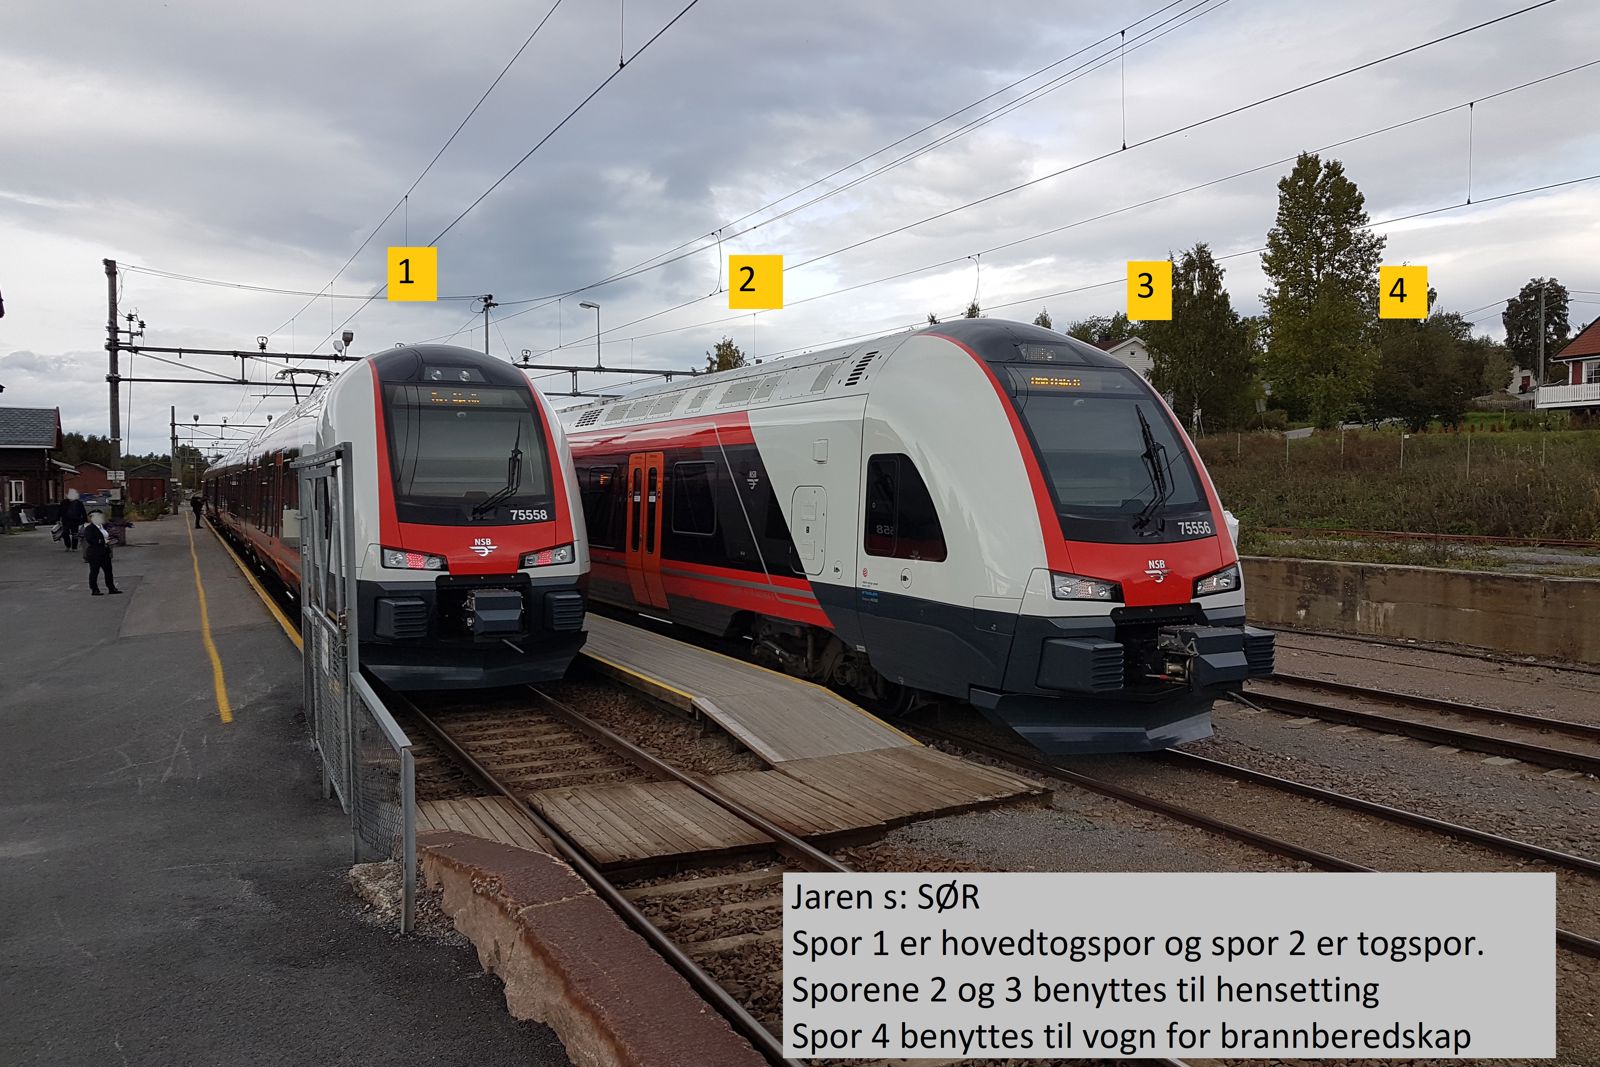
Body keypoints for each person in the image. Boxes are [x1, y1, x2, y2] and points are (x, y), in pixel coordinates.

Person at [81, 511, 121, 596]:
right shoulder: (89, 528)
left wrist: (111, 539)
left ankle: (111, 588)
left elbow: (108, 535)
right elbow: (90, 540)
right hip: (95, 553)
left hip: (105, 551)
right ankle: (94, 589)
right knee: (94, 571)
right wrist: (103, 541)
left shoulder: (103, 527)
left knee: (108, 571)